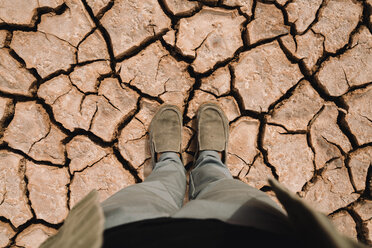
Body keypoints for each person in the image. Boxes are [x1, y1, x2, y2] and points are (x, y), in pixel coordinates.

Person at [40, 103, 366, 248]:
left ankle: (168, 162)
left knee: (154, 190)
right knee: (222, 185)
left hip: (119, 237)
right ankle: (208, 159)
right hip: (254, 235)